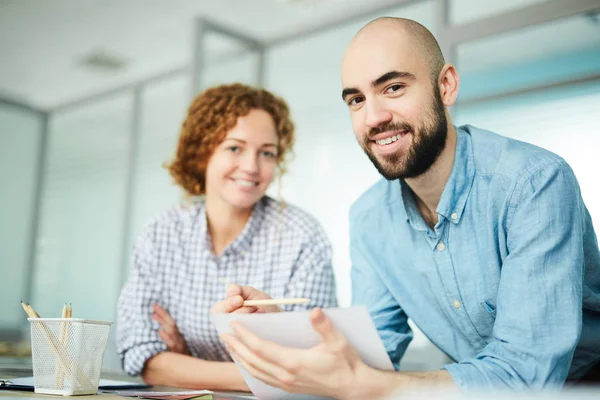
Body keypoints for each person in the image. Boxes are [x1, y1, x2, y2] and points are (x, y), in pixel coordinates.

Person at [212, 17, 600, 398]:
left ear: (445, 85)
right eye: (357, 100)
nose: (374, 117)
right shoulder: (368, 218)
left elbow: (527, 374)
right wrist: (284, 334)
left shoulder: (534, 183)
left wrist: (379, 387)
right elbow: (370, 358)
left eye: (393, 87)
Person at [116, 83, 337, 391]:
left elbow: (314, 366)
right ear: (203, 151)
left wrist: (184, 360)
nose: (251, 167)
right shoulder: (161, 233)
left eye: (267, 153)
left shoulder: (302, 237)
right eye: (235, 148)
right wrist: (264, 373)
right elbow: (141, 356)